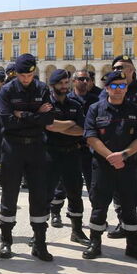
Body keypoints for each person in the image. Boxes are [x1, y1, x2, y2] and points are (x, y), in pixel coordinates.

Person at [81, 70, 137, 262]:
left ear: (126, 88)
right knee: (99, 206)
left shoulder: (135, 110)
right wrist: (111, 157)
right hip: (103, 167)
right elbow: (91, 136)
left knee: (129, 206)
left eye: (122, 86)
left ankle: (133, 245)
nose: (118, 89)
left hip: (127, 166)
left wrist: (124, 155)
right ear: (107, 88)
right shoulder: (96, 108)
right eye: (114, 86)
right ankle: (95, 243)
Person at [0, 54, 54, 260]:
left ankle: (39, 242)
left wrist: (23, 114)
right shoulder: (7, 90)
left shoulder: (42, 89)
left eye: (29, 75)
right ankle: (6, 241)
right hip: (13, 147)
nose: (26, 79)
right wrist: (36, 115)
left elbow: (48, 119)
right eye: (22, 75)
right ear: (16, 73)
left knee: (39, 195)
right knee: (9, 194)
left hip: (37, 147)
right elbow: (7, 120)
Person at [44, 69, 91, 245]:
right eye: (60, 84)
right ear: (52, 85)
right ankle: (39, 235)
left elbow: (83, 129)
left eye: (66, 83)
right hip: (51, 153)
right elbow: (49, 126)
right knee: (46, 194)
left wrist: (62, 126)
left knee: (75, 193)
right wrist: (70, 124)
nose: (64, 87)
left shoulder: (75, 104)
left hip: (72, 153)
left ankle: (77, 231)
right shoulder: (46, 104)